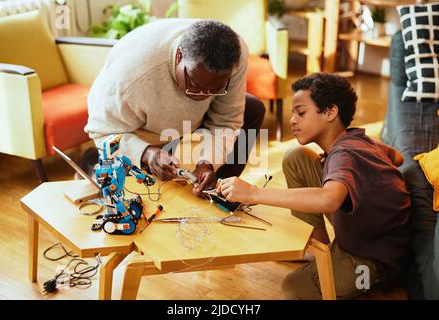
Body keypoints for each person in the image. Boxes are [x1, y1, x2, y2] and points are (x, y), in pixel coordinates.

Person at [217, 73, 411, 300]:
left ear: (330, 112)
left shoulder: (345, 154)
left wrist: (254, 193)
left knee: (294, 288)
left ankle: (368, 281)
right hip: (365, 231)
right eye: (292, 113)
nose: (292, 120)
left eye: (301, 113)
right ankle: (321, 251)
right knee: (297, 158)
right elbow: (396, 157)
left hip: (373, 258)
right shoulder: (356, 140)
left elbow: (329, 200)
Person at [84, 19, 265, 197]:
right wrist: (146, 152)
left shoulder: (234, 56)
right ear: (179, 56)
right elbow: (102, 132)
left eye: (215, 89)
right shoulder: (129, 79)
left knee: (253, 110)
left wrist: (208, 163)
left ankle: (217, 193)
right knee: (136, 191)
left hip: (174, 120)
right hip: (133, 127)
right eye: (194, 83)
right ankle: (94, 163)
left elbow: (227, 121)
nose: (202, 96)